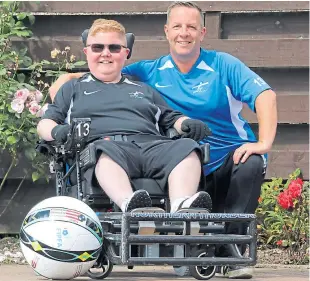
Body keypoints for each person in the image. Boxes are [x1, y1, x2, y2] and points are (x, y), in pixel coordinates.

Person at [49, 1, 277, 279]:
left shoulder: (221, 65)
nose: (184, 33)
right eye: (178, 26)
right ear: (167, 31)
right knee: (115, 151)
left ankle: (228, 250)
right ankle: (170, 226)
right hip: (169, 166)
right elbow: (104, 74)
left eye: (191, 27)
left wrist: (263, 143)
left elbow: (265, 96)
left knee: (246, 161)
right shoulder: (149, 71)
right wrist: (64, 84)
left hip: (221, 160)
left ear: (202, 32)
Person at [37, 18, 213, 215]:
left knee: (187, 147)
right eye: (97, 47)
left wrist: (188, 123)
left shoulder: (143, 89)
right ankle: (132, 205)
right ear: (87, 52)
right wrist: (56, 131)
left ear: (125, 53)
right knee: (103, 150)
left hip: (152, 147)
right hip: (107, 147)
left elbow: (171, 118)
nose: (105, 53)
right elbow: (45, 123)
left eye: (114, 47)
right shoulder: (73, 88)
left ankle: (181, 206)